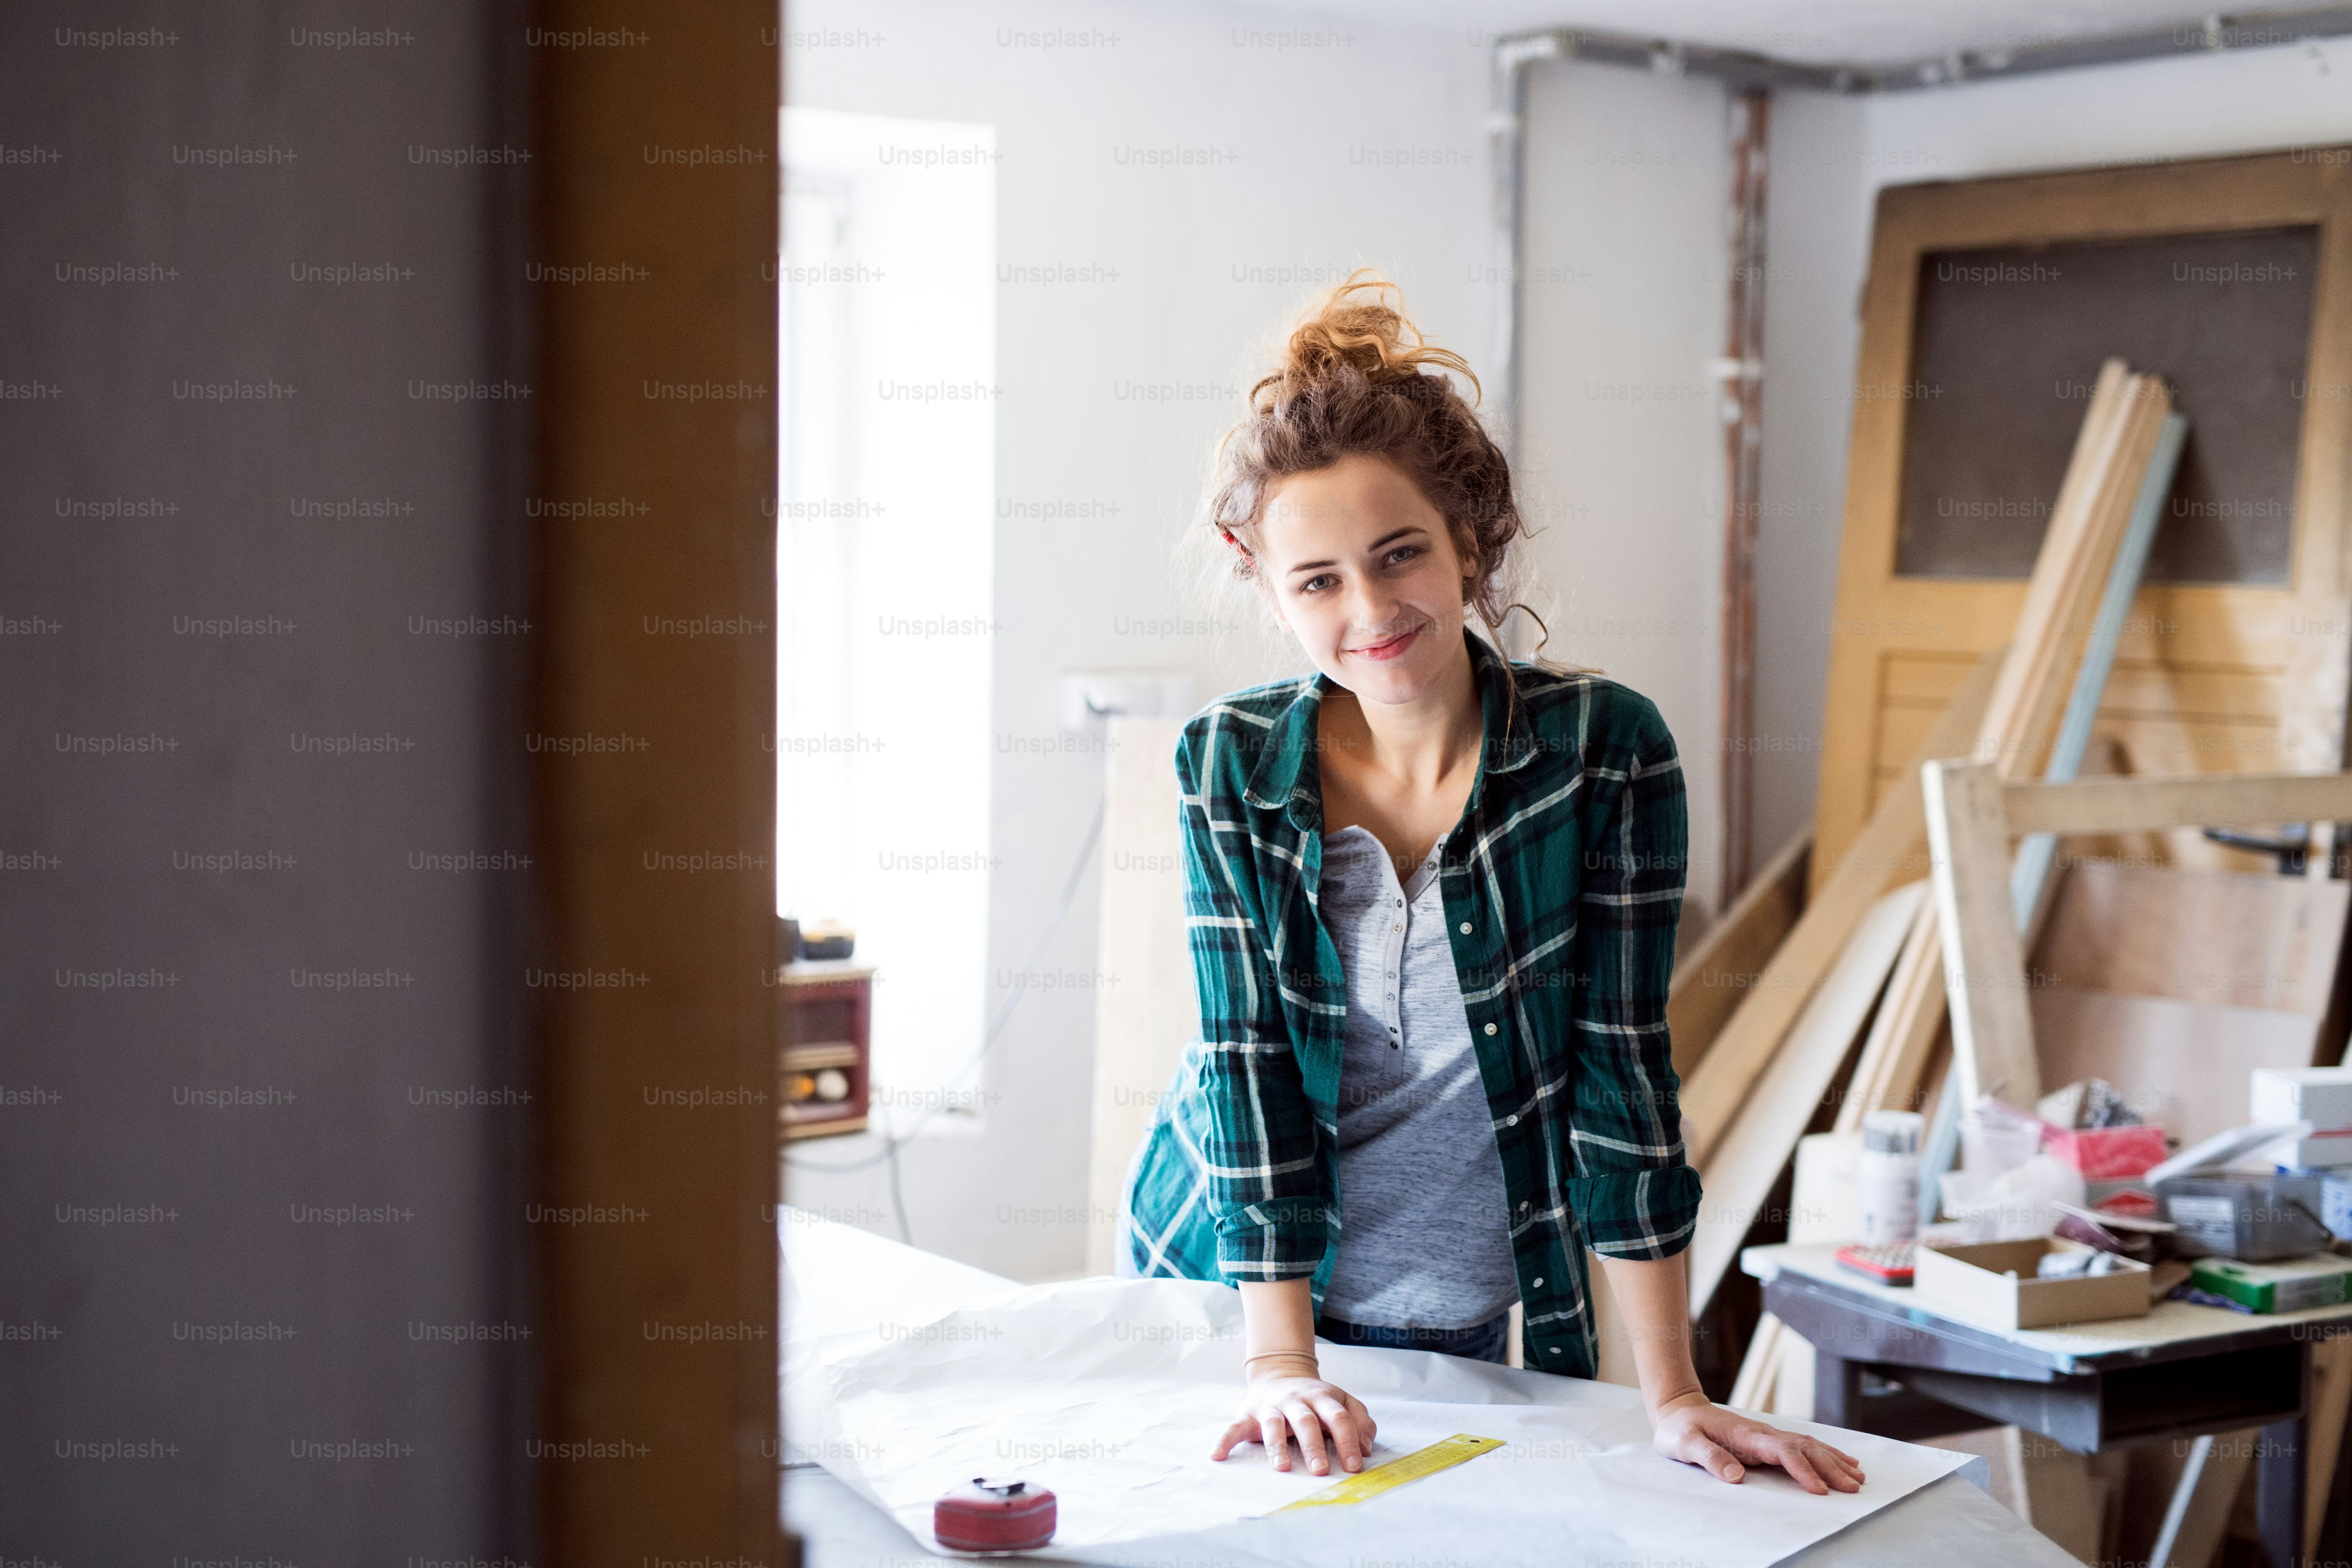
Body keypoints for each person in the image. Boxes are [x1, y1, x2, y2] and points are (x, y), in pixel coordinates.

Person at [1118, 272, 1862, 1497]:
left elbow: (1622, 1073)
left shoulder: (1603, 751)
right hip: (1231, 1295)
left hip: (1457, 1299)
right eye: (1318, 581)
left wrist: (1670, 1392)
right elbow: (1245, 1066)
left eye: (1399, 554)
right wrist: (1279, 1363)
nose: (1370, 610)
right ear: (1263, 583)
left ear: (1469, 535)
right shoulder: (1229, 766)